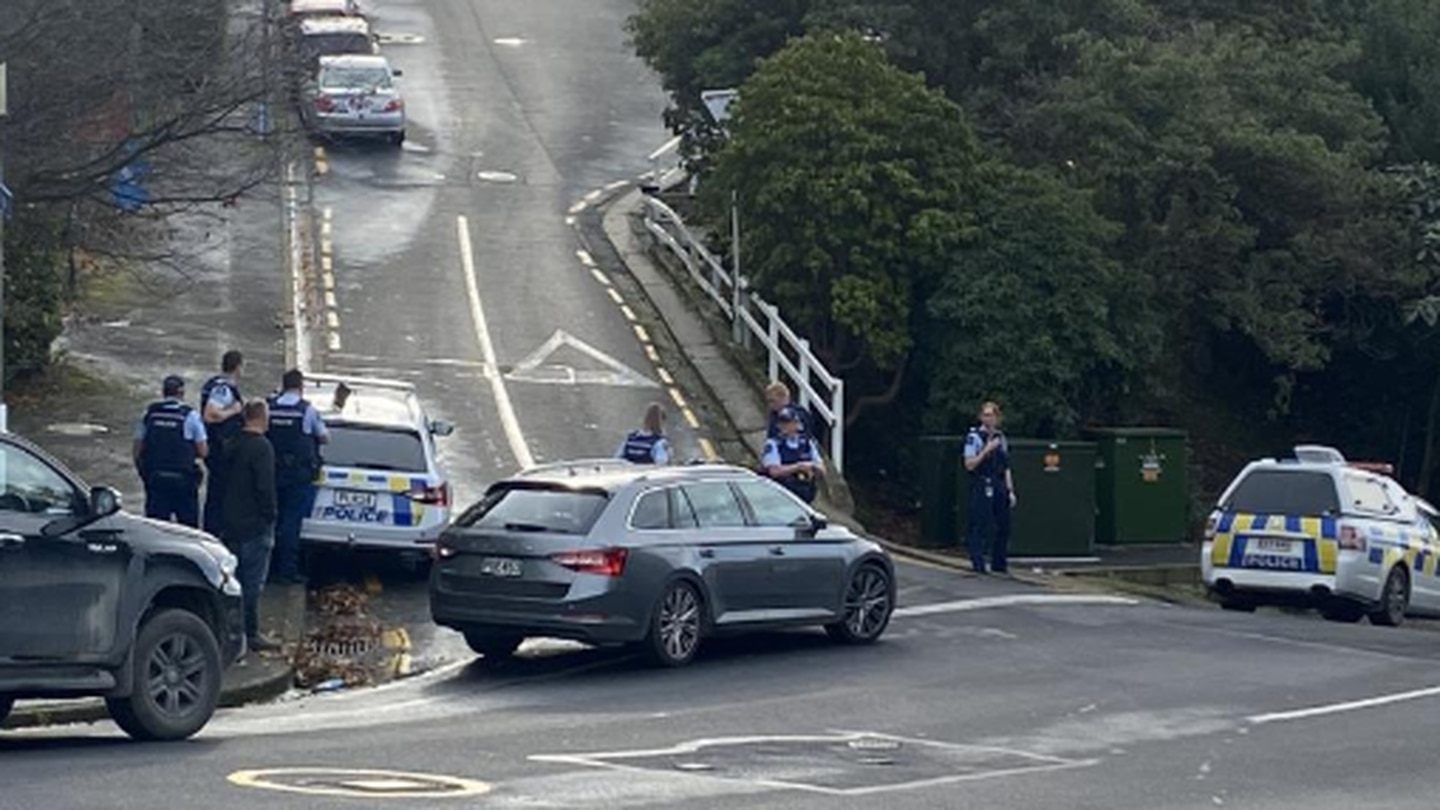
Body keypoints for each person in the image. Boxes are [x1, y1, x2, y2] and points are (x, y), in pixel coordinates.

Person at [224, 401, 281, 652]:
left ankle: (229, 630)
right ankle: (251, 632)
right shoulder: (262, 448)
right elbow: (265, 487)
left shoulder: (233, 444)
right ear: (260, 418)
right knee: (252, 583)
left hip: (231, 521)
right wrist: (271, 516)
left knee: (231, 580)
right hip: (255, 524)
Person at [266, 368, 328, 584]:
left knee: (270, 519)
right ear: (301, 387)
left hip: (271, 473)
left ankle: (268, 567)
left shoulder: (269, 407)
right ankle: (286, 571)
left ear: (283, 385)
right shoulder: (307, 411)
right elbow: (323, 437)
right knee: (291, 523)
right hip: (297, 476)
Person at [132, 375, 207, 527]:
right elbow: (203, 451)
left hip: (156, 479)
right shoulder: (190, 416)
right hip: (183, 481)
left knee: (156, 529)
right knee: (188, 530)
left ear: (164, 392)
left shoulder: (150, 414)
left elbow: (137, 449)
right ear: (181, 393)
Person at [963, 400, 1016, 575]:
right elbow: (970, 464)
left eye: (991, 415)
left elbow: (1006, 466)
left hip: (999, 483)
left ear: (997, 418)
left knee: (1004, 524)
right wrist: (986, 450)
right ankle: (978, 563)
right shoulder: (974, 438)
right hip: (982, 481)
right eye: (985, 415)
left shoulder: (1001, 438)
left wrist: (1010, 490)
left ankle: (999, 564)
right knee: (980, 522)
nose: (988, 419)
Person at [201, 350, 246, 536]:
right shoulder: (223, 388)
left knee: (217, 494)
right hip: (221, 450)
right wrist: (234, 411)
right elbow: (210, 414)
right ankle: (216, 534)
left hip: (216, 447)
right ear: (238, 367)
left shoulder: (212, 384)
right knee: (220, 495)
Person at [762, 406, 824, 503]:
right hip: (783, 494)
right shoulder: (773, 444)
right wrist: (798, 467)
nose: (783, 426)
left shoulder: (807, 442)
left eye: (788, 423)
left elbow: (822, 469)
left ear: (797, 424)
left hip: (805, 492)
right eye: (781, 423)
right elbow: (774, 471)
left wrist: (812, 467)